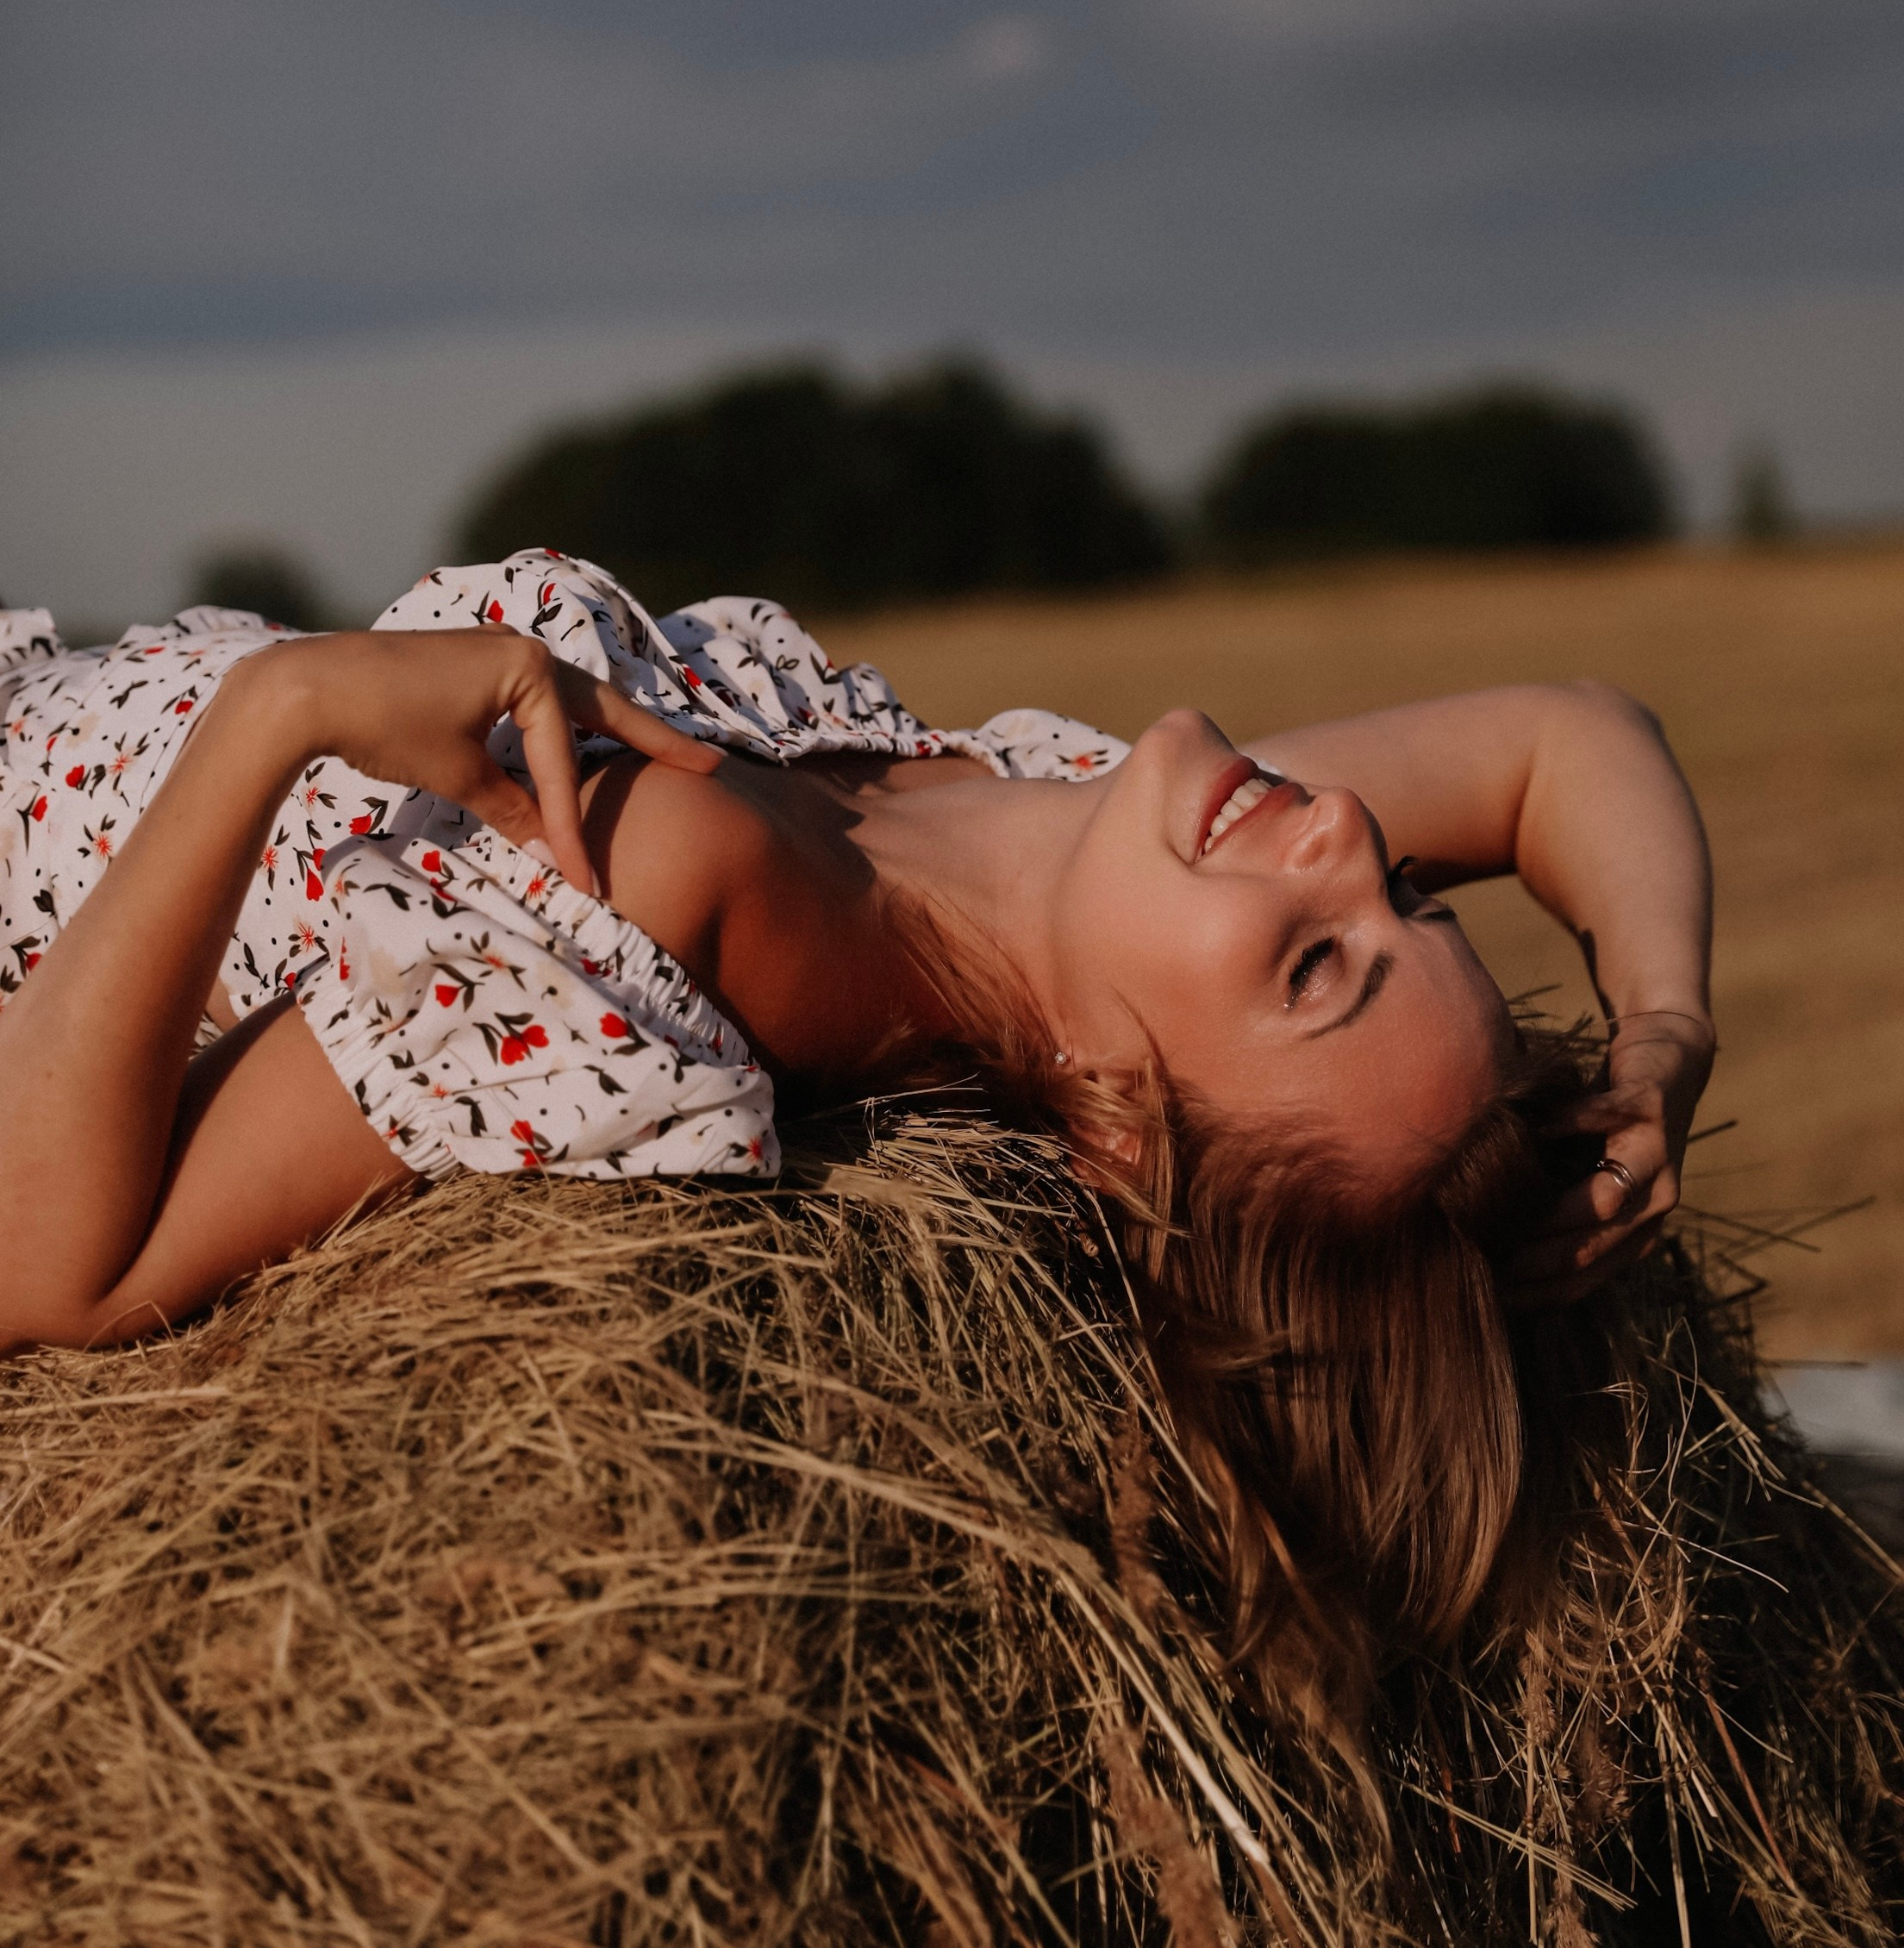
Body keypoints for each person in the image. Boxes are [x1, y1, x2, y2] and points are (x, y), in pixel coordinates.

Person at [0, 549, 1715, 1714]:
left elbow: (48, 1264)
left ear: (1122, 1114)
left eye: (1314, 964)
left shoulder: (676, 894)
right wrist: (1658, 1034)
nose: (1337, 828)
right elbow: (1566, 740)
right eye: (1408, 890)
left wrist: (284, 711)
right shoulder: (1059, 824)